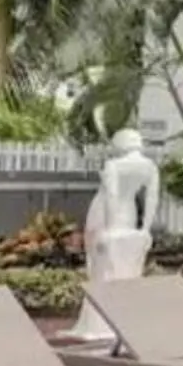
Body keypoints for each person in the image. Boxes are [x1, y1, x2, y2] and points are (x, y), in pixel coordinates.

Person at [65, 130, 158, 342]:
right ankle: (116, 318)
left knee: (99, 266)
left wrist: (111, 228)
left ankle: (98, 321)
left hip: (105, 214)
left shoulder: (114, 165)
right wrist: (145, 228)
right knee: (123, 266)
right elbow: (152, 198)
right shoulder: (149, 167)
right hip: (130, 214)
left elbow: (112, 196)